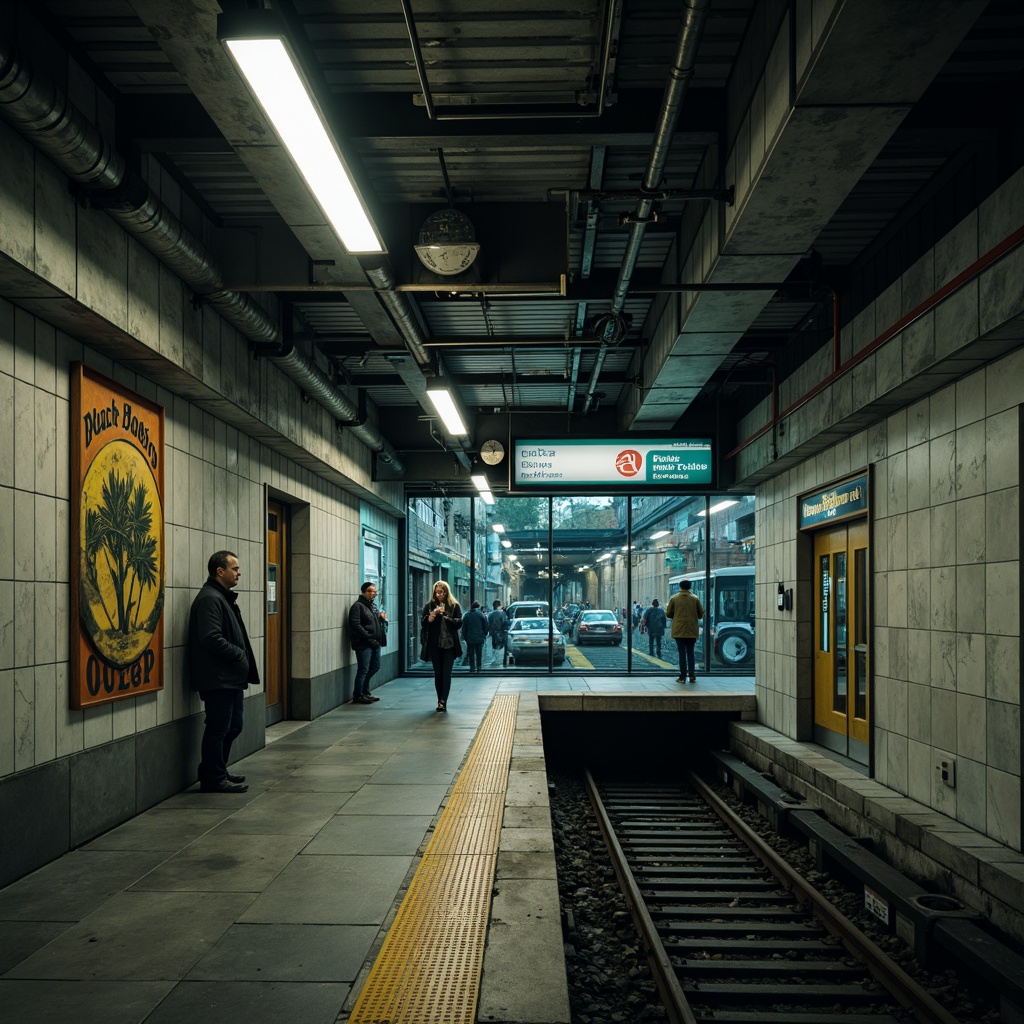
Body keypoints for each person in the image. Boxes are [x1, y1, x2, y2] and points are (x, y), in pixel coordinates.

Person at [188, 550, 259, 793]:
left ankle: (217, 769)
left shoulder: (221, 597)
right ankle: (213, 777)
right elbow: (210, 637)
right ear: (220, 571)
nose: (239, 572)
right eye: (235, 568)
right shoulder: (210, 598)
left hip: (229, 677)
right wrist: (239, 654)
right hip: (218, 678)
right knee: (219, 727)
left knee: (233, 726)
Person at [421, 580, 463, 711]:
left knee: (446, 673)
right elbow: (423, 623)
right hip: (435, 644)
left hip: (449, 644)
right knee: (438, 673)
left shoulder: (454, 605)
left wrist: (445, 616)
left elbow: (458, 624)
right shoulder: (429, 606)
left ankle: (443, 701)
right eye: (436, 592)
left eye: (441, 592)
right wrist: (431, 616)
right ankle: (439, 699)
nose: (438, 595)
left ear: (446, 592)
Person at [348, 581, 387, 704]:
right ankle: (358, 694)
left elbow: (375, 624)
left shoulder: (372, 606)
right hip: (364, 644)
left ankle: (365, 692)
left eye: (374, 591)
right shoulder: (358, 606)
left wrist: (381, 619)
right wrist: (368, 638)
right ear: (364, 591)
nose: (373, 593)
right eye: (370, 591)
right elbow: (355, 625)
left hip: (375, 642)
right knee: (363, 670)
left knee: (375, 666)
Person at [665, 579, 704, 684]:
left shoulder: (674, 598)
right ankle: (692, 675)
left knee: (682, 653)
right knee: (690, 652)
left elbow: (668, 614)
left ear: (680, 587)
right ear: (690, 587)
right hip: (691, 629)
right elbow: (701, 614)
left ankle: (682, 677)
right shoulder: (695, 599)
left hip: (679, 630)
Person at [462, 600, 488, 673]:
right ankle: (479, 666)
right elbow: (486, 625)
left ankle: (472, 667)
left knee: (471, 653)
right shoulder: (481, 615)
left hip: (470, 637)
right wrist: (484, 634)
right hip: (479, 637)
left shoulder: (467, 615)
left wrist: (464, 636)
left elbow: (464, 627)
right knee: (479, 653)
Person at [487, 599, 509, 667]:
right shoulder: (501, 613)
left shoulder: (490, 614)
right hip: (500, 632)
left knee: (494, 647)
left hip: (493, 633)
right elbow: (505, 622)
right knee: (501, 648)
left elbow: (488, 623)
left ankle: (495, 660)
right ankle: (500, 661)